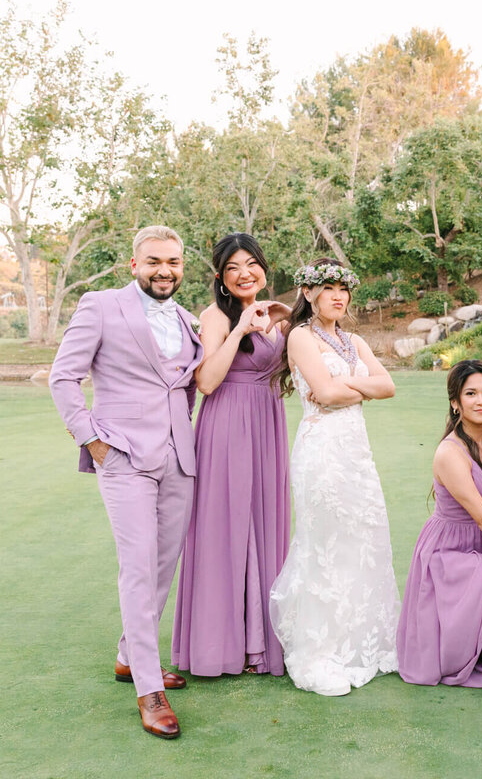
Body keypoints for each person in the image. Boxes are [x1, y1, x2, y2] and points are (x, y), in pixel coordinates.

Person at [48, 225, 203, 739]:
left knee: (163, 564)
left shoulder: (186, 318)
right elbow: (63, 376)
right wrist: (92, 440)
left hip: (179, 457)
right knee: (137, 566)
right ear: (133, 265)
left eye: (174, 262)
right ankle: (147, 686)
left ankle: (126, 655)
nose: (165, 270)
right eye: (155, 261)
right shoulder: (101, 305)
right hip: (124, 457)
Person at [268, 258, 400, 696]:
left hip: (356, 454)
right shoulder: (301, 337)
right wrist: (362, 387)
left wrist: (353, 388)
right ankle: (319, 649)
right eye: (328, 288)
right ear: (308, 293)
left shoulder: (355, 340)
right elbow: (323, 393)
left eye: (343, 288)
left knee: (363, 537)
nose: (338, 295)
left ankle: (363, 641)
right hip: (321, 451)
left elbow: (389, 387)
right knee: (324, 543)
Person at [172, 233, 291, 677]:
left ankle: (259, 645)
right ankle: (221, 644)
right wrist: (241, 326)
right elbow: (206, 382)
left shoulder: (275, 313)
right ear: (221, 278)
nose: (245, 274)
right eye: (234, 268)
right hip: (226, 426)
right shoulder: (215, 316)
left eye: (252, 264)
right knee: (226, 527)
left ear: (263, 267)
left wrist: (287, 322)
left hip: (267, 424)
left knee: (262, 523)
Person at [397, 360, 482, 687]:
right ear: (455, 402)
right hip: (447, 551)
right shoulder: (449, 452)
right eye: (471, 393)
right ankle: (450, 651)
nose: (481, 401)